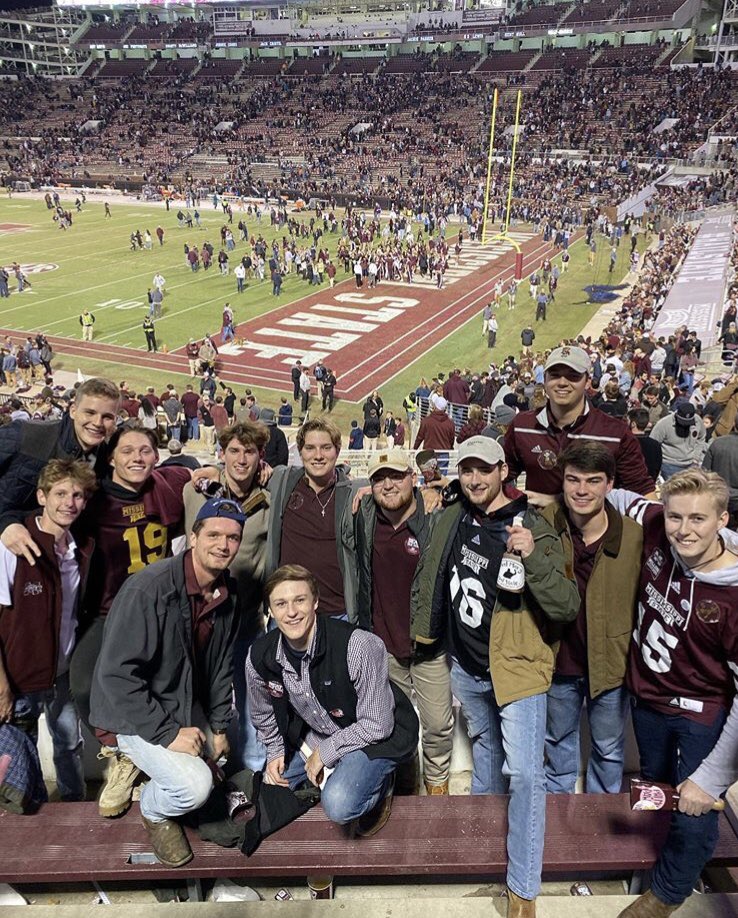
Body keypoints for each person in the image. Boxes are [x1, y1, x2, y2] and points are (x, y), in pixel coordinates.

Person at [412, 436, 579, 917]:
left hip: (518, 669)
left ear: (503, 470)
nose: (474, 479)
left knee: (526, 774)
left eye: (483, 470)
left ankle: (523, 888)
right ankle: (483, 857)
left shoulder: (534, 526)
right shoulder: (456, 511)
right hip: (467, 665)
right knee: (485, 755)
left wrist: (533, 558)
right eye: (466, 470)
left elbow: (566, 605)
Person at [90, 498, 245, 868]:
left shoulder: (228, 593)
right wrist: (168, 733)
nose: (223, 545)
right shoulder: (148, 589)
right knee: (194, 788)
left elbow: (221, 665)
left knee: (222, 765)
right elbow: (116, 676)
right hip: (132, 711)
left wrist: (220, 725)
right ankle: (153, 808)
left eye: (233, 537)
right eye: (213, 535)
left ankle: (156, 767)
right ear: (193, 538)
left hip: (182, 700)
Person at [610, 471, 738, 918]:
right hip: (649, 700)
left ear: (723, 520)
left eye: (699, 519)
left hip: (700, 711)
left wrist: (713, 775)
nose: (684, 529)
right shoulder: (657, 524)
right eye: (676, 517)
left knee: (695, 807)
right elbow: (621, 495)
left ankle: (666, 895)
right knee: (658, 790)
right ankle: (669, 864)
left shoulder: (733, 593)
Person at [70, 424, 195, 817]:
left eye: (145, 450)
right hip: (110, 611)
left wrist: (204, 472)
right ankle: (124, 753)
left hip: (162, 609)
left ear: (156, 456)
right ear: (111, 458)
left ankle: (155, 764)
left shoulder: (168, 483)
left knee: (172, 685)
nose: (137, 458)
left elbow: (189, 468)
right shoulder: (93, 500)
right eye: (127, 451)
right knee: (84, 683)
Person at [247, 564, 419, 834]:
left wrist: (323, 755)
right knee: (273, 789)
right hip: (321, 731)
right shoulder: (260, 655)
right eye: (281, 604)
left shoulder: (358, 645)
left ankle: (387, 780)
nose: (291, 612)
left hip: (376, 734)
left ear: (315, 602)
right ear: (270, 610)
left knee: (339, 804)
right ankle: (338, 772)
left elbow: (377, 725)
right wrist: (275, 750)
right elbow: (263, 713)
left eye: (299, 600)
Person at [541, 442, 642, 797]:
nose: (582, 490)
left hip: (611, 667)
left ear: (610, 484)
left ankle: (600, 826)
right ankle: (556, 822)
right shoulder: (544, 526)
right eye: (573, 479)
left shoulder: (633, 536)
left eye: (593, 480)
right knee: (557, 747)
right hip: (558, 663)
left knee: (609, 751)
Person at [354, 450, 453, 795]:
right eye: (379, 478)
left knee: (438, 723)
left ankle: (437, 784)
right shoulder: (365, 516)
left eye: (396, 476)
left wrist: (442, 489)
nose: (388, 484)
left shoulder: (436, 517)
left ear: (413, 477)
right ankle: (406, 783)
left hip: (428, 643)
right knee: (395, 723)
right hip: (383, 644)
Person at [0, 459, 97, 802]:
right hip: (20, 677)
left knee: (69, 743)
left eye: (78, 495)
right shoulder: (12, 546)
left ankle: (74, 808)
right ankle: (31, 813)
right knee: (20, 758)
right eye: (60, 493)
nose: (69, 502)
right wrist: (2, 687)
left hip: (63, 672)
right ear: (41, 496)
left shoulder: (81, 549)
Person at [184, 421, 271, 772]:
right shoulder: (196, 492)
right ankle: (207, 770)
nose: (241, 459)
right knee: (198, 698)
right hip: (199, 619)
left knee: (254, 701)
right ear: (222, 454)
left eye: (249, 452)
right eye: (234, 451)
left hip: (246, 620)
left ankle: (252, 771)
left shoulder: (268, 498)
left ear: (259, 457)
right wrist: (198, 470)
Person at [504, 346, 656, 505]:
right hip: (538, 527)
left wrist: (555, 503)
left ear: (587, 381)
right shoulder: (522, 425)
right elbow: (502, 475)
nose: (562, 382)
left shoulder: (615, 432)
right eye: (555, 375)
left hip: (595, 527)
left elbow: (642, 491)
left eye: (573, 376)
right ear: (545, 379)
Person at [0, 377, 119, 562]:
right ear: (72, 410)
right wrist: (5, 525)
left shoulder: (105, 458)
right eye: (90, 412)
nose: (97, 422)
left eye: (107, 417)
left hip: (54, 558)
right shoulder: (25, 434)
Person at [266, 418, 365, 622]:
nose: (318, 456)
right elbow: (237, 472)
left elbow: (399, 489)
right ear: (300, 452)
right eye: (310, 448)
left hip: (338, 614)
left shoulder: (353, 491)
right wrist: (210, 470)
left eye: (326, 448)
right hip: (288, 612)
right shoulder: (282, 481)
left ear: (337, 451)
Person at [649, 404, 707, 480]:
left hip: (691, 464)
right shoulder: (664, 424)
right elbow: (652, 445)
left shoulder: (698, 421)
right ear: (676, 415)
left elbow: (701, 438)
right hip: (669, 465)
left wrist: (696, 457)